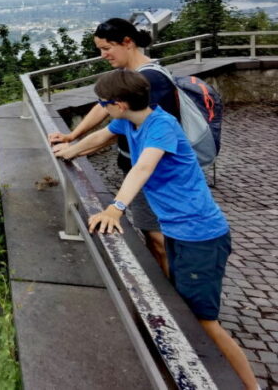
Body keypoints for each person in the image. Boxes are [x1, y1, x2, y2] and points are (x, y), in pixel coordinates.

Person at [53, 69, 256, 389]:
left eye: (104, 103)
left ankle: (250, 386)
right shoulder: (130, 120)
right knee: (186, 311)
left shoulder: (161, 126)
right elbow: (102, 136)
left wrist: (115, 208)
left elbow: (144, 166)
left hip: (200, 235)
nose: (102, 108)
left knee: (204, 323)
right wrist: (69, 148)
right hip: (180, 232)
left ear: (119, 103)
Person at [48, 18, 178, 276]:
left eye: (107, 48)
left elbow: (114, 130)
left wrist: (115, 208)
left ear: (127, 43)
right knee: (152, 236)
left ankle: (176, 302)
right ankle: (165, 287)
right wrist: (72, 136)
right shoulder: (130, 76)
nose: (103, 55)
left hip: (155, 173)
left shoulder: (151, 80)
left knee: (160, 239)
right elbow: (103, 107)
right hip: (139, 169)